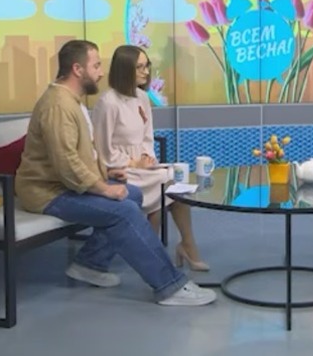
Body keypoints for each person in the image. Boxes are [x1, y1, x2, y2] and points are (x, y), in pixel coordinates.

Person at [15, 39, 216, 306]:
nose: (101, 72)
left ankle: (90, 263)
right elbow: (67, 164)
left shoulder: (71, 101)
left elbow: (83, 154)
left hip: (63, 185)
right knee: (125, 210)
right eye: (96, 66)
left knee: (133, 194)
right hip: (48, 193)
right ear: (77, 69)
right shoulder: (58, 106)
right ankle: (169, 286)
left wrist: (108, 172)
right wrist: (104, 188)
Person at [92, 45, 209, 271]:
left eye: (147, 66)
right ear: (124, 69)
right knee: (163, 184)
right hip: (118, 169)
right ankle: (155, 253)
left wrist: (147, 158)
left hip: (143, 167)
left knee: (173, 179)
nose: (146, 72)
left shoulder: (142, 97)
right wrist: (133, 163)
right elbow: (103, 150)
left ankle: (185, 245)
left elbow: (147, 136)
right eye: (139, 67)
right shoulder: (108, 103)